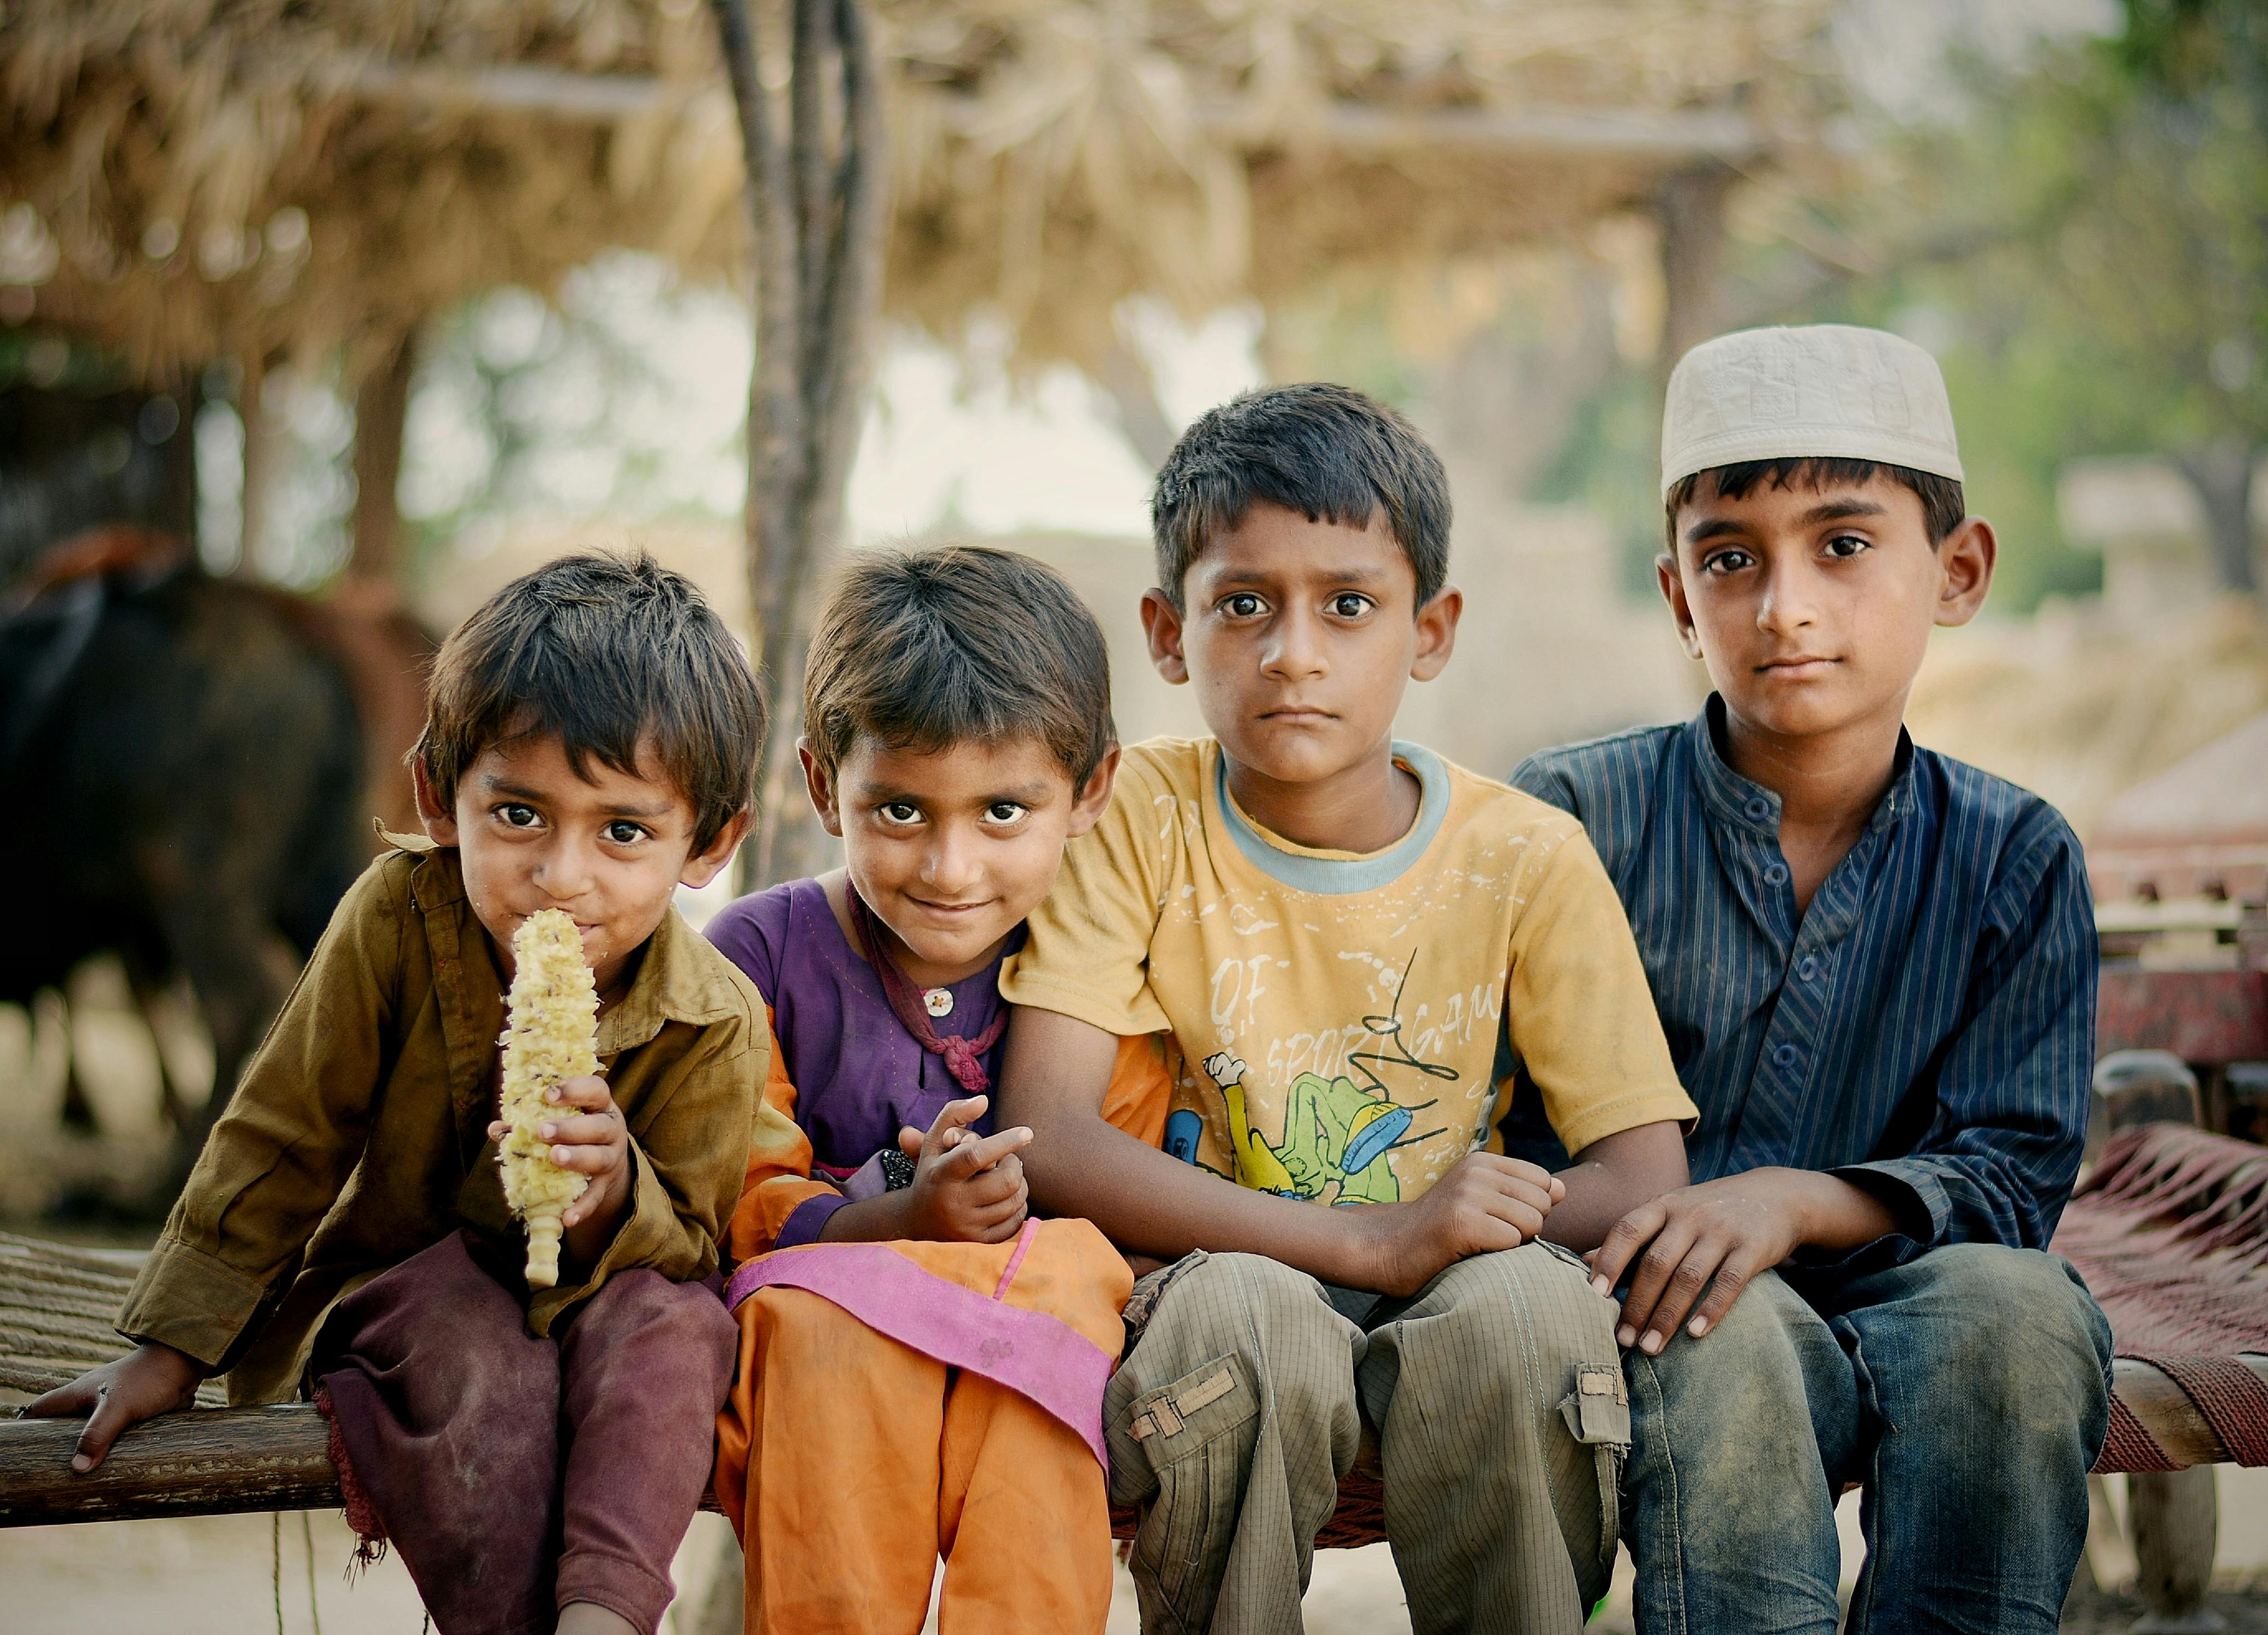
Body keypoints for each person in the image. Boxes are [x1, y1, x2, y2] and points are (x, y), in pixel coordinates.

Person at [994, 383, 1702, 1635]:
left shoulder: (1522, 856)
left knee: (1526, 1307)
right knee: (1246, 1311)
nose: (1294, 654)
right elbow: (1045, 1128)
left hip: (1449, 1297)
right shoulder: (1136, 816)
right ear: (1169, 631)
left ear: (1430, 630)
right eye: (1243, 605)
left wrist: (1440, 1231)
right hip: (1212, 1284)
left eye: (1350, 606)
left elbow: (1642, 1170)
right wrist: (1369, 1239)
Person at [27, 552, 768, 1635]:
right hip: (414, 1283)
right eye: (518, 814)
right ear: (436, 796)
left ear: (708, 844)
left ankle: (607, 1616)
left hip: (614, 1300)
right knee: (480, 1362)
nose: (562, 875)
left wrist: (614, 1194)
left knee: (679, 1336)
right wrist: (172, 1347)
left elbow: (695, 1239)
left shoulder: (717, 1017)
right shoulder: (391, 921)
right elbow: (285, 1134)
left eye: (622, 831)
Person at [1508, 324, 2114, 1635]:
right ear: (1678, 598)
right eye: (1729, 559)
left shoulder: (2014, 852)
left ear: (1956, 572)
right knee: (1706, 1330)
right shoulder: (1564, 822)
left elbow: (2012, 1173)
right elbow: (1480, 1115)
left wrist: (1793, 1202)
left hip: (1921, 1282)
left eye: (1843, 546)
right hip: (1648, 1295)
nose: (1784, 605)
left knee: (2019, 1316)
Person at [705, 546, 1165, 1635]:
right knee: (813, 1329)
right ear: (824, 787)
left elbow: (1136, 1173)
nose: (951, 869)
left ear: (1089, 791)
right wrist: (900, 1215)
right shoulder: (757, 958)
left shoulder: (1099, 964)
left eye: (1003, 813)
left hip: (1025, 1356)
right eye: (901, 812)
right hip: (832, 1362)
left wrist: (1018, 1224)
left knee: (1061, 1286)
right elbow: (731, 1184)